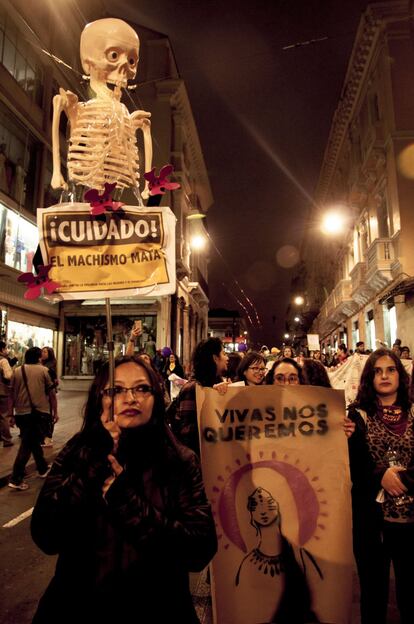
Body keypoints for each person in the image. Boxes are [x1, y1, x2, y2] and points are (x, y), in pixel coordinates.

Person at [30, 355, 217, 624]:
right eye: (116, 390)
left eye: (142, 388)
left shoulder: (179, 460)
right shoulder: (77, 451)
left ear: (156, 397)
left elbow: (199, 549)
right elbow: (46, 535)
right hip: (75, 608)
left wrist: (126, 501)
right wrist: (93, 465)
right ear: (100, 400)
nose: (130, 398)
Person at [346, 348, 414, 624]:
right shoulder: (356, 416)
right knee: (373, 595)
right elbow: (351, 465)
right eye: (377, 371)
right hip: (372, 523)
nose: (384, 376)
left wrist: (399, 480)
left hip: (411, 521)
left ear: (400, 375)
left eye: (391, 369)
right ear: (368, 378)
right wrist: (379, 476)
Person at [168, 337, 229, 455]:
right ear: (215, 358)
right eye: (224, 353)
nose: (227, 358)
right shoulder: (192, 388)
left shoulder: (213, 385)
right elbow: (187, 432)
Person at [8, 347, 57, 490]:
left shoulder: (17, 371)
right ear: (38, 358)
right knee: (27, 444)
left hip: (21, 414)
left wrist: (11, 414)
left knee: (32, 441)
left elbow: (11, 394)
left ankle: (42, 468)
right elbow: (52, 394)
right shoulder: (44, 371)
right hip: (39, 413)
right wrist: (55, 411)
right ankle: (16, 478)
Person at [40, 346, 59, 447]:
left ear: (49, 354)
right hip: (43, 393)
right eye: (42, 352)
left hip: (48, 393)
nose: (42, 353)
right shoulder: (42, 365)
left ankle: (48, 437)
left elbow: (55, 381)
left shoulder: (49, 367)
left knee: (48, 414)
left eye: (45, 352)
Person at [0, 340, 14, 446]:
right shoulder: (3, 361)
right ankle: (7, 440)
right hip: (2, 391)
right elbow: (8, 376)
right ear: (2, 349)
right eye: (5, 348)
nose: (6, 350)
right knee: (4, 416)